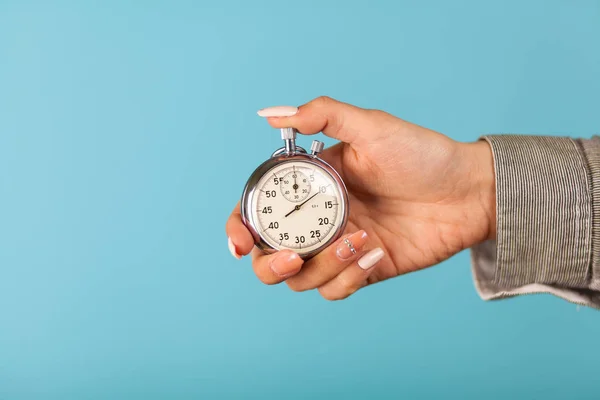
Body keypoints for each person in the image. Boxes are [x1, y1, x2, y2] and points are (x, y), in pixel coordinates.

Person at [225, 96, 600, 309]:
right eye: (282, 205)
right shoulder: (291, 186)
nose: (294, 206)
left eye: (298, 201)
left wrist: (480, 192)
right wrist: (482, 193)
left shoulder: (325, 182)